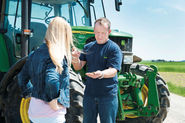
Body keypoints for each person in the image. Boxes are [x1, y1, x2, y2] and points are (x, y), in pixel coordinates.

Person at [18, 17, 75, 123]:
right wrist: (53, 101)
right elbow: (52, 80)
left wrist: (31, 94)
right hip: (51, 116)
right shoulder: (57, 56)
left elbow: (22, 77)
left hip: (34, 113)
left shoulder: (34, 54)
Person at [72, 17, 122, 123]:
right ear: (94, 31)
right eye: (97, 32)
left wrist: (101, 74)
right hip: (89, 94)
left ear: (109, 32)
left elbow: (113, 70)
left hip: (107, 95)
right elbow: (78, 67)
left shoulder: (114, 49)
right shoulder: (88, 47)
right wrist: (75, 59)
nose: (99, 36)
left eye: (103, 33)